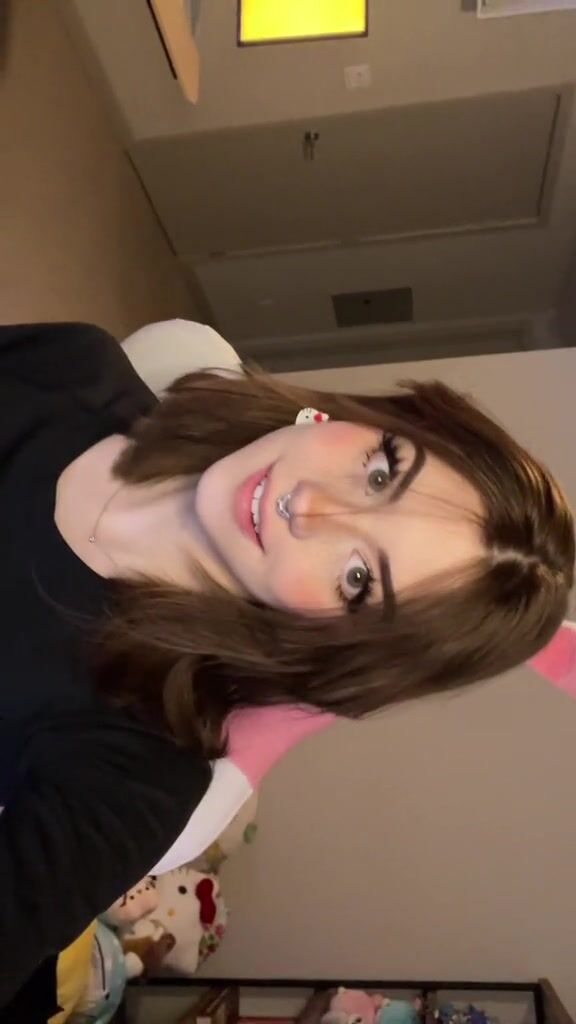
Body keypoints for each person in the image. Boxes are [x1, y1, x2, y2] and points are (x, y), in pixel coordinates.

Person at [0, 321, 573, 1017]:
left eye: (359, 578)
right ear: (363, 419)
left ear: (335, 641)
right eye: (381, 471)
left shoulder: (137, 774)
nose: (309, 506)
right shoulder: (73, 365)